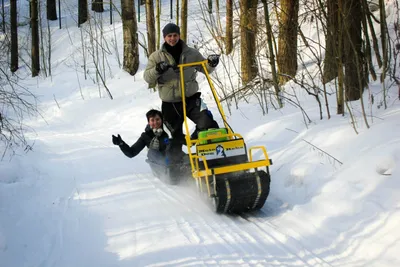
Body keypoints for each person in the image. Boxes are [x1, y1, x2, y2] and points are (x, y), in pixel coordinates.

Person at [143, 23, 220, 156]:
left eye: (175, 35)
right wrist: (157, 69)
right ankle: (176, 167)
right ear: (164, 37)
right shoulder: (156, 57)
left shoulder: (191, 53)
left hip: (191, 98)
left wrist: (211, 63)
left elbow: (205, 68)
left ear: (179, 35)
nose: (172, 38)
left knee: (207, 122)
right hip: (170, 102)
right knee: (174, 135)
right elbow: (147, 77)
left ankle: (209, 153)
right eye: (169, 36)